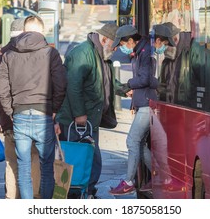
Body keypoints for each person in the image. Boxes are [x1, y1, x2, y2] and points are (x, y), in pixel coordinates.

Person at [0, 16, 66, 199]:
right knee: (46, 166)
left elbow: (0, 87)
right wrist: (54, 108)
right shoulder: (51, 54)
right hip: (44, 113)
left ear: (24, 30)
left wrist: (10, 111)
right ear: (42, 31)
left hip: (20, 114)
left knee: (23, 167)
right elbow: (61, 84)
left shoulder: (9, 55)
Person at [55, 23, 126, 198]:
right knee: (82, 157)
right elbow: (74, 86)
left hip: (90, 118)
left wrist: (125, 89)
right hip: (76, 119)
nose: (116, 49)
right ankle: (76, 192)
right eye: (115, 45)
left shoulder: (102, 55)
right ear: (104, 40)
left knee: (90, 157)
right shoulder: (83, 53)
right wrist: (79, 113)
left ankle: (86, 191)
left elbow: (107, 81)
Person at [0, 18, 41, 199]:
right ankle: (33, 199)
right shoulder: (33, 54)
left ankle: (11, 199)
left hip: (7, 120)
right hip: (30, 116)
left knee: (11, 163)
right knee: (33, 159)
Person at [109, 25, 160, 195]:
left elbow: (145, 78)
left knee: (132, 141)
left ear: (131, 40)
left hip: (147, 103)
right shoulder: (140, 51)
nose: (121, 47)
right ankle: (158, 176)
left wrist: (129, 84)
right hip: (143, 102)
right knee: (139, 143)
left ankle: (129, 181)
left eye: (123, 43)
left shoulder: (145, 52)